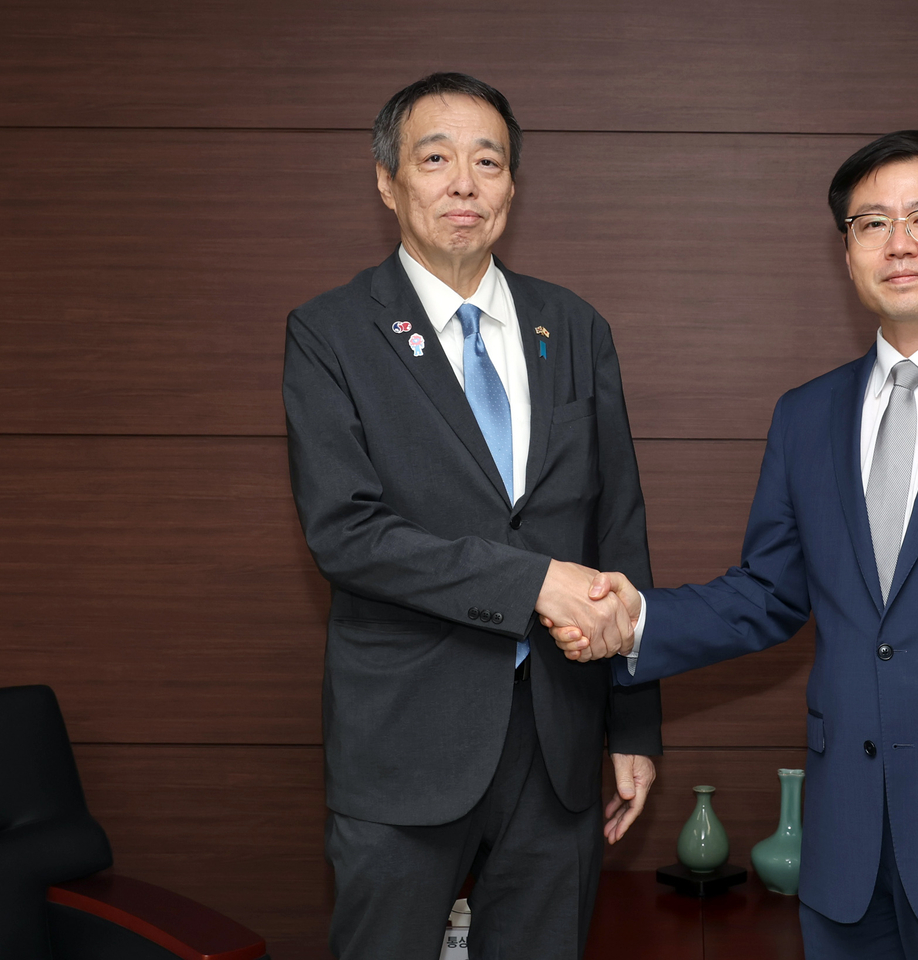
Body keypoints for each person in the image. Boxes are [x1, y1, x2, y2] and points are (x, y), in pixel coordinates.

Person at [552, 131, 918, 960]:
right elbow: (768, 594)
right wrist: (635, 619)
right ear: (847, 252)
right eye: (870, 223)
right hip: (842, 848)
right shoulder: (807, 415)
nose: (897, 243)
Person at [282, 72, 660, 960]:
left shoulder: (573, 328)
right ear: (388, 182)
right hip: (406, 741)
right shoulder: (330, 333)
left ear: (511, 186)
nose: (464, 183)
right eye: (436, 158)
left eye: (487, 161)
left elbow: (619, 532)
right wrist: (533, 583)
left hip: (560, 746)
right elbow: (347, 532)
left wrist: (633, 726)